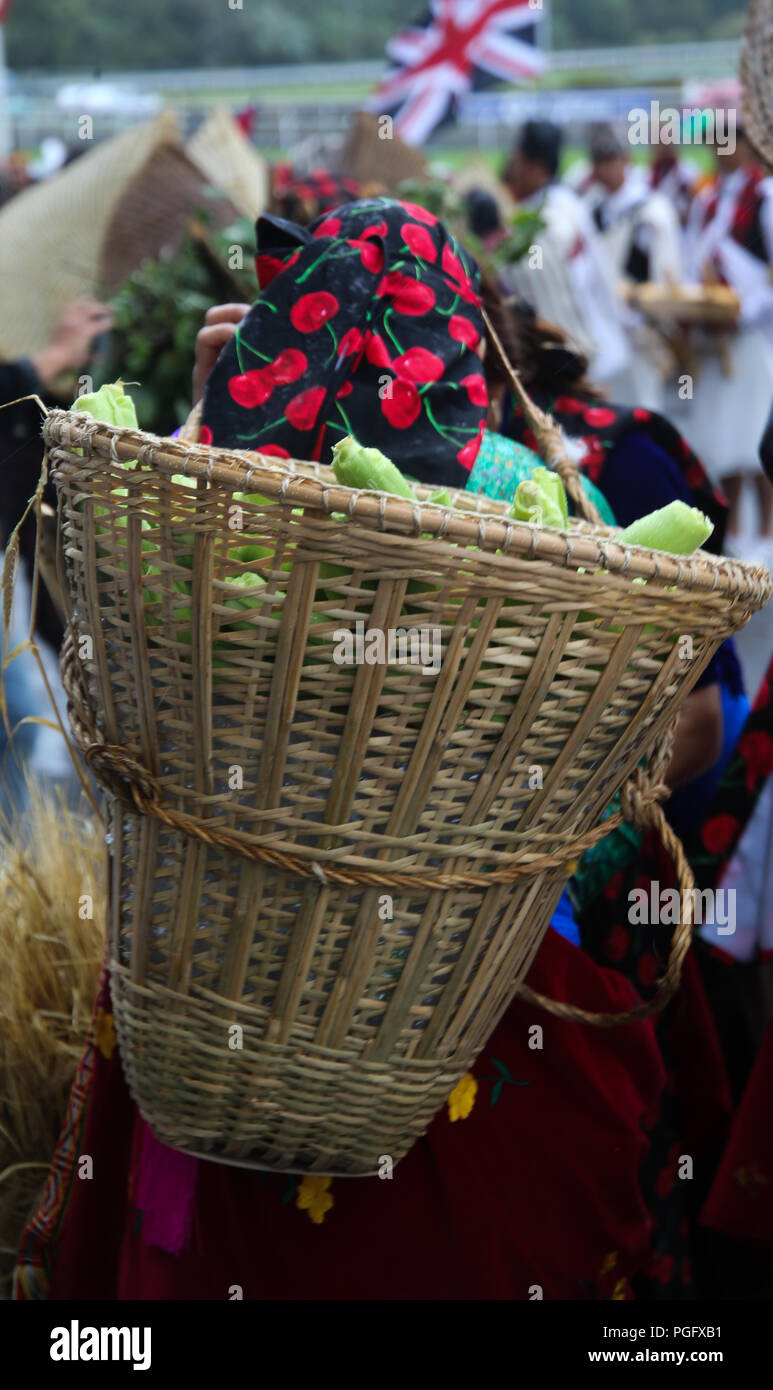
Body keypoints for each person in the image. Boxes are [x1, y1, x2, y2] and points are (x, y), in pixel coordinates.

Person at [13, 201, 734, 1301]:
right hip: (474, 990)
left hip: (224, 972)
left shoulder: (221, 484)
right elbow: (626, 746)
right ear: (465, 339)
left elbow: (118, 673)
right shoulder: (545, 502)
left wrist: (214, 415)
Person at [676, 126, 773, 539]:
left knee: (758, 439)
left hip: (755, 336)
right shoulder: (707, 199)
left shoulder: (765, 196)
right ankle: (733, 533)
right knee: (725, 440)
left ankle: (767, 535)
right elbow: (691, 260)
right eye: (715, 140)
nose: (721, 149)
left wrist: (744, 311)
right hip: (715, 337)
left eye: (730, 139)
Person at [500, 120, 630, 389]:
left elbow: (552, 288)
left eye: (518, 161)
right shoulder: (554, 205)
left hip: (581, 353)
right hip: (586, 348)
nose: (512, 169)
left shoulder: (551, 217)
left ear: (536, 168)